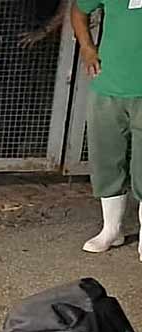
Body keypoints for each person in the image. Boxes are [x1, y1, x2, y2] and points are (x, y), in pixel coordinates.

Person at [71, 0, 142, 258]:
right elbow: (79, 10)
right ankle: (111, 229)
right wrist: (88, 48)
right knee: (106, 160)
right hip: (109, 86)